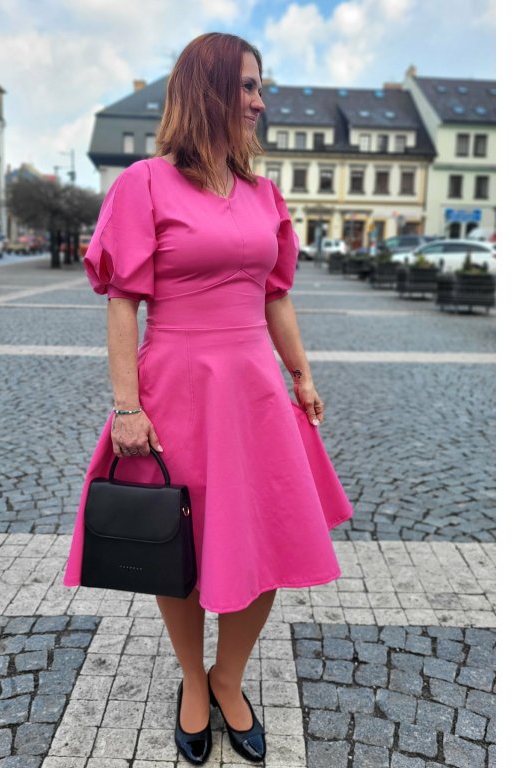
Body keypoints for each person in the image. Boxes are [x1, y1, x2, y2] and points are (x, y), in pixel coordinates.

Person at [62, 32, 353, 764]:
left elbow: (276, 294)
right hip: (178, 386)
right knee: (182, 542)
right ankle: (194, 680)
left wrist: (302, 374)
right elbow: (123, 302)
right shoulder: (145, 184)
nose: (259, 101)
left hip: (254, 390)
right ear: (210, 90)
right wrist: (127, 407)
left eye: (260, 87)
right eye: (248, 86)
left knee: (273, 534)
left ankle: (229, 676)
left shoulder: (263, 193)